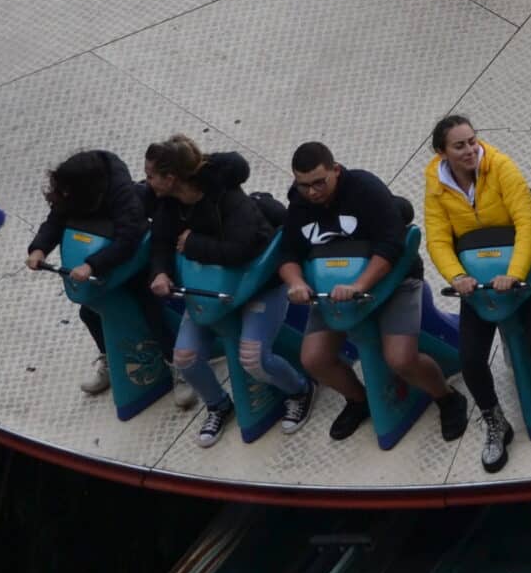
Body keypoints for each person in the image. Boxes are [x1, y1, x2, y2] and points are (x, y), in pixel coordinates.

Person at [423, 114, 531, 470]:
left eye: (472, 141)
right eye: (459, 145)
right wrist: (456, 276)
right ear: (442, 152)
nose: (470, 150)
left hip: (525, 272)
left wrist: (514, 273)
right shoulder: (436, 184)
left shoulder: (500, 167)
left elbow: (528, 221)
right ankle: (494, 419)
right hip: (479, 281)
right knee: (470, 358)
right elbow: (437, 237)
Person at [281, 142, 465, 444]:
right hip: (333, 291)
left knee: (401, 359)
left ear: (336, 171)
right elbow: (288, 251)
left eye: (319, 182)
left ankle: (446, 398)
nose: (312, 192)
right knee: (314, 359)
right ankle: (358, 400)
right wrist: (296, 283)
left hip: (392, 283)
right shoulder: (300, 204)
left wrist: (359, 286)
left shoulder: (365, 190)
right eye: (304, 186)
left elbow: (393, 245)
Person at [144, 136, 307, 443]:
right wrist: (161, 272)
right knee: (185, 358)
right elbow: (161, 243)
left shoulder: (228, 197)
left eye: (151, 175)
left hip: (257, 286)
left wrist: (193, 244)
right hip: (209, 292)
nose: (146, 181)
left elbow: (242, 249)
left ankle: (299, 391)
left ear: (171, 178)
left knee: (253, 357)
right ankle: (218, 405)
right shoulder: (168, 205)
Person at [24, 148, 150, 397]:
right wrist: (39, 248)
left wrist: (92, 265)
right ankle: (111, 360)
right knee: (90, 313)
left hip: (132, 255)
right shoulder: (73, 189)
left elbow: (129, 239)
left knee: (149, 308)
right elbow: (55, 220)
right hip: (103, 250)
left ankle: (175, 364)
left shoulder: (122, 194)